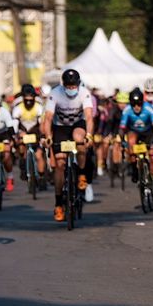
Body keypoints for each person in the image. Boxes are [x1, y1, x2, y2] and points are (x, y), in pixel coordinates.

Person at [42, 69, 95, 221]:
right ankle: (58, 204)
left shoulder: (84, 93)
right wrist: (48, 136)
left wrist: (89, 135)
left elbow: (89, 117)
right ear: (63, 85)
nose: (71, 89)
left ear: (78, 84)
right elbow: (48, 118)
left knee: (79, 139)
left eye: (74, 86)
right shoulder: (55, 93)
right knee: (60, 163)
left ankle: (82, 174)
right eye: (68, 86)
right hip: (60, 127)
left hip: (77, 124)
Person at [120, 89, 153, 190]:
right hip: (134, 131)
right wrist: (122, 141)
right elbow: (122, 128)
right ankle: (134, 168)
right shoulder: (127, 110)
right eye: (133, 104)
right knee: (131, 142)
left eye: (139, 104)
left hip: (148, 132)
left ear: (142, 102)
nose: (136, 107)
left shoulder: (148, 108)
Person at [12, 83, 47, 181]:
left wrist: (42, 135)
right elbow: (15, 123)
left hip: (35, 130)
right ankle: (23, 163)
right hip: (23, 129)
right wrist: (16, 135)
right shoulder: (18, 107)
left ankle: (41, 177)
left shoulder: (38, 106)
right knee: (21, 146)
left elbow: (41, 123)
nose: (28, 102)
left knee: (39, 154)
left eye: (31, 100)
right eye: (26, 99)